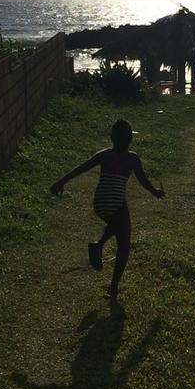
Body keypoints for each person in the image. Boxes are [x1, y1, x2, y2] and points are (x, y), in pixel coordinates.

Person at [50, 119, 164, 302]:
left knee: (116, 223)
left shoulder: (104, 155)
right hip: (116, 203)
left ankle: (99, 244)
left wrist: (61, 181)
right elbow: (143, 181)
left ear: (111, 138)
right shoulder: (133, 158)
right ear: (130, 140)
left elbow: (81, 168)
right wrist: (155, 192)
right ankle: (113, 287)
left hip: (100, 203)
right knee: (124, 245)